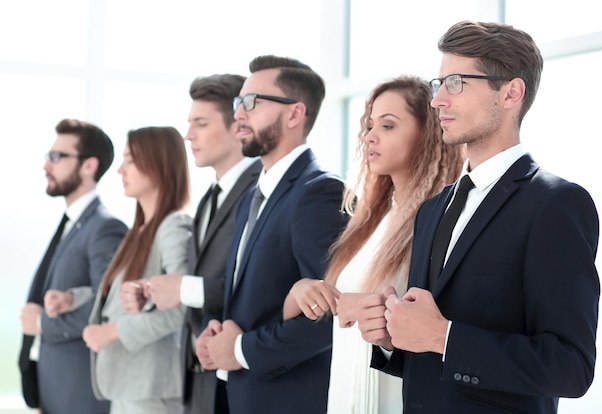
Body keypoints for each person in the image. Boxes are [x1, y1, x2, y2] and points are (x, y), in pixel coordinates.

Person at [357, 20, 600, 413]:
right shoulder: (432, 210)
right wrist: (392, 337)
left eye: (456, 83)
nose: (438, 101)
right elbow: (430, 355)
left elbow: (570, 367)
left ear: (510, 93)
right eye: (438, 85)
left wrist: (444, 337)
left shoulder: (556, 204)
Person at [282, 76, 464, 413]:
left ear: (428, 133)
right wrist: (303, 290)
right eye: (369, 125)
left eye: (389, 125)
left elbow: (440, 324)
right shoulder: (368, 222)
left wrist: (369, 308)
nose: (370, 136)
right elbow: (328, 311)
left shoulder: (440, 222)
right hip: (346, 390)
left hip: (395, 394)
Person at [195, 55, 349, 414]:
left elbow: (331, 316)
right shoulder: (253, 195)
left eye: (252, 103)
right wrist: (213, 329)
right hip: (243, 397)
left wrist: (239, 350)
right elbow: (243, 294)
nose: (239, 114)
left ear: (295, 114)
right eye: (239, 103)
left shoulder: (319, 192)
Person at [123, 74, 263, 414]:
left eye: (200, 123)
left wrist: (184, 289)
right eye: (190, 123)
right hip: (199, 376)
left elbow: (256, 286)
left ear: (238, 124)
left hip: (242, 378)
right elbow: (198, 280)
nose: (189, 135)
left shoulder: (262, 192)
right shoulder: (207, 200)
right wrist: (155, 291)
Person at [18, 119, 127, 414]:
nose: (46, 166)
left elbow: (107, 306)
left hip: (79, 397)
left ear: (89, 165)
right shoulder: (72, 223)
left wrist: (41, 323)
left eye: (57, 157)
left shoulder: (105, 228)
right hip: (54, 392)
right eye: (48, 156)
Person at [83, 126, 192, 414]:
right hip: (130, 388)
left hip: (151, 392)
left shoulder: (173, 228)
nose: (119, 170)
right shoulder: (140, 230)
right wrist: (73, 298)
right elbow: (115, 295)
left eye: (129, 160)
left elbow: (182, 306)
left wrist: (114, 331)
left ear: (157, 164)